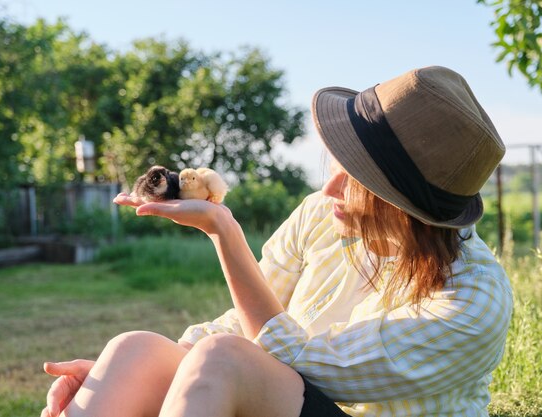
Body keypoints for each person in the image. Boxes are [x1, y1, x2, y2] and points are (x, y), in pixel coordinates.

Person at [41, 65, 513, 417]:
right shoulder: (321, 215)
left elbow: (311, 366)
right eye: (337, 164)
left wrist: (224, 231)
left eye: (360, 183)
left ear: (411, 210)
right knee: (134, 351)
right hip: (287, 396)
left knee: (218, 358)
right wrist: (132, 376)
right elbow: (244, 323)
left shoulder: (473, 300)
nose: (329, 190)